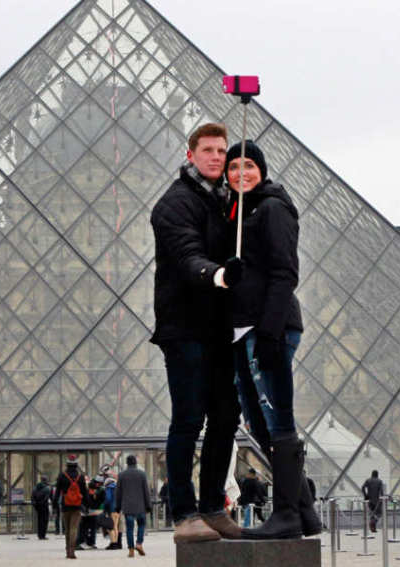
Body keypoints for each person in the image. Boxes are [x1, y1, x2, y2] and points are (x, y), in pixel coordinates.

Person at [223, 139, 321, 540]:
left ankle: (286, 517)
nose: (240, 172)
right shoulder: (240, 211)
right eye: (233, 167)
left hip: (269, 329)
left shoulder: (274, 207)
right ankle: (304, 512)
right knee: (260, 423)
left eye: (248, 165)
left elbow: (285, 272)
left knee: (277, 418)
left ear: (261, 170)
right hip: (244, 330)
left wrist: (268, 330)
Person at [150, 122, 243, 543]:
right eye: (207, 149)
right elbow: (188, 257)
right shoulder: (174, 204)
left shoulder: (230, 202)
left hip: (221, 328)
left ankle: (212, 507)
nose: (216, 157)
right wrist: (219, 275)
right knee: (188, 419)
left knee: (226, 416)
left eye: (222, 151)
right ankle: (184, 514)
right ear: (191, 155)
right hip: (184, 326)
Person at [115, 455, 151, 557]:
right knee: (141, 525)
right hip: (141, 506)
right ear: (135, 462)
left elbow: (118, 492)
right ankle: (139, 543)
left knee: (129, 528)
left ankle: (131, 550)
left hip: (127, 507)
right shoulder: (142, 474)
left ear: (127, 463)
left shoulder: (122, 475)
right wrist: (148, 506)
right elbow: (146, 491)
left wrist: (117, 507)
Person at [55, 454, 89, 559]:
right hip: (77, 506)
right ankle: (72, 550)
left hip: (65, 505)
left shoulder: (62, 475)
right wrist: (87, 506)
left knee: (67, 529)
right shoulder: (80, 477)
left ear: (67, 464)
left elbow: (57, 492)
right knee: (74, 528)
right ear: (76, 465)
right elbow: (85, 492)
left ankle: (67, 550)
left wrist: (55, 504)